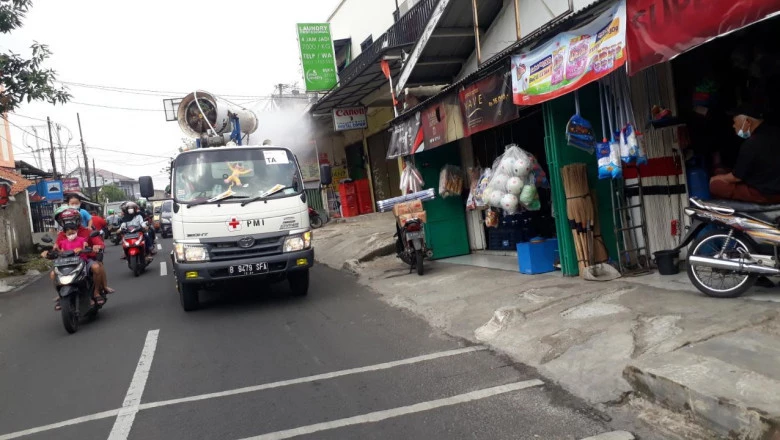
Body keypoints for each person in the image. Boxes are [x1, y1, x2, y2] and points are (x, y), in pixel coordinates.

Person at [42, 207, 114, 310]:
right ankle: (61, 295)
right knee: (53, 274)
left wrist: (96, 247)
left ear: (78, 220)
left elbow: (99, 244)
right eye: (66, 221)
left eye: (71, 220)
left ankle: (96, 292)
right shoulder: (62, 235)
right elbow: (56, 248)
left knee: (97, 267)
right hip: (66, 262)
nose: (68, 223)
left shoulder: (86, 231)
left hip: (85, 259)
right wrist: (48, 253)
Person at [710, 106, 780, 203]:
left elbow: (737, 177)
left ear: (747, 122)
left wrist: (717, 178)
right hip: (771, 182)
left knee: (716, 185)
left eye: (735, 122)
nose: (733, 126)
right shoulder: (775, 132)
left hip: (767, 194)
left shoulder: (752, 143)